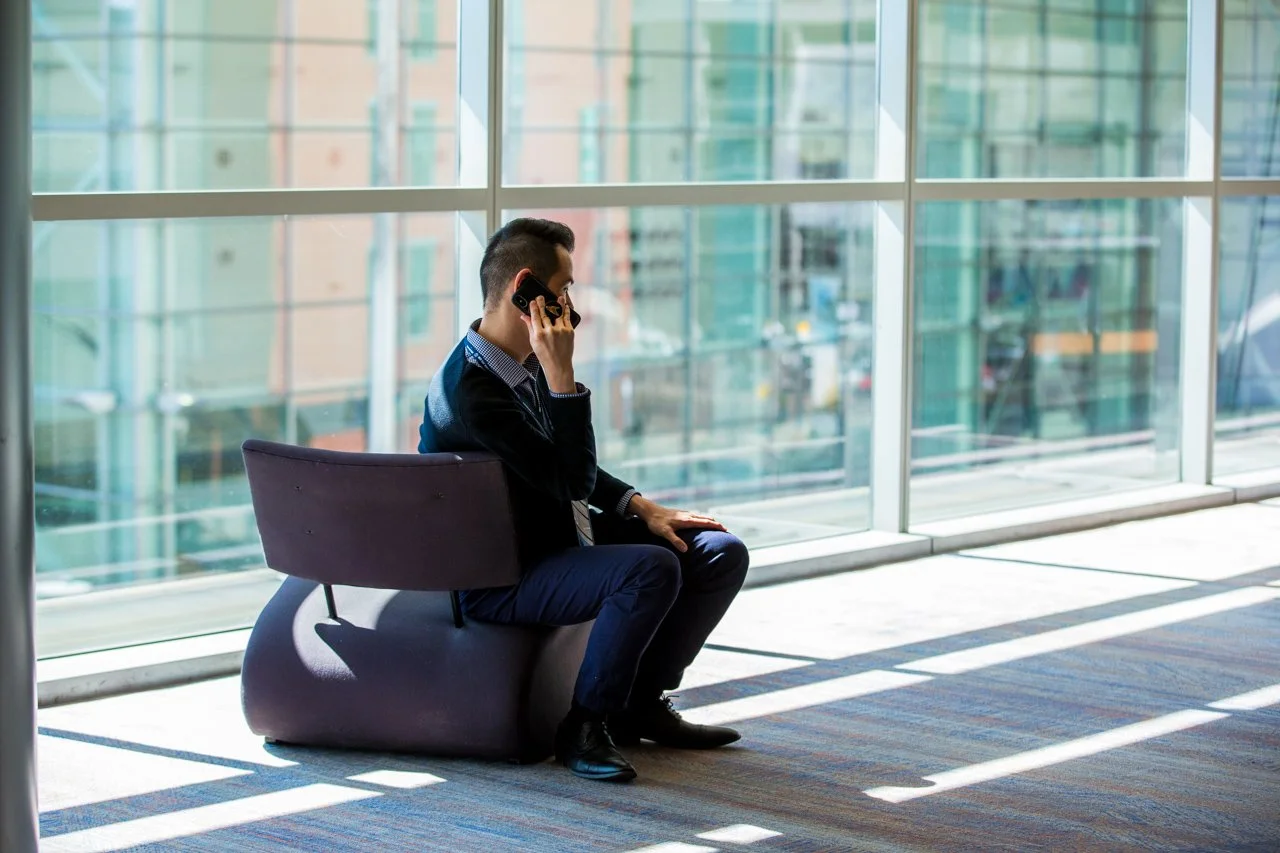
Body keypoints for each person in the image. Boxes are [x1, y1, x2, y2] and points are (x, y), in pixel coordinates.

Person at [419, 218, 750, 782]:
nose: (573, 303)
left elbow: (564, 470)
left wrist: (636, 504)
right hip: (507, 573)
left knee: (718, 551)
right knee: (648, 569)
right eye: (565, 287)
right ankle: (586, 724)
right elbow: (569, 480)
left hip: (557, 539)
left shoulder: (515, 366)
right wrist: (563, 377)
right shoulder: (473, 395)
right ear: (527, 289)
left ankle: (640, 704)